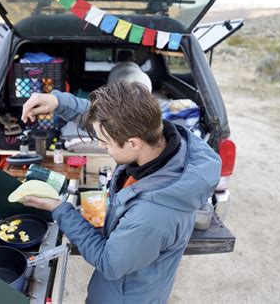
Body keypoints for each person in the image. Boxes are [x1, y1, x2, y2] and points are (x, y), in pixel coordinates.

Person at [20, 81, 221, 303]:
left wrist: (60, 209)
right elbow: (109, 121)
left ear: (133, 143)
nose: (100, 146)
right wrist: (59, 102)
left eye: (105, 143)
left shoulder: (152, 216)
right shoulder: (157, 135)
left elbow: (109, 263)